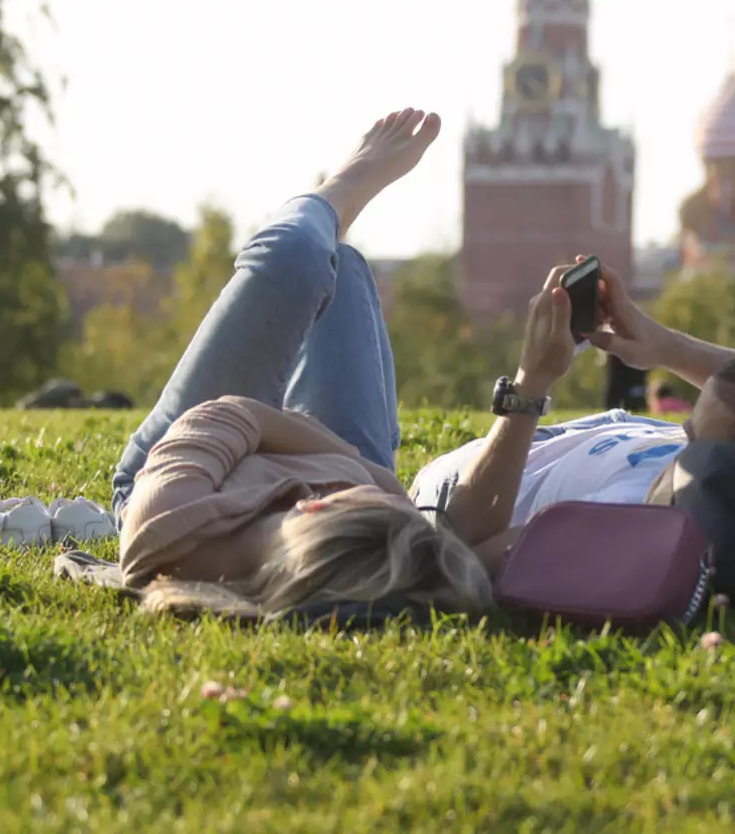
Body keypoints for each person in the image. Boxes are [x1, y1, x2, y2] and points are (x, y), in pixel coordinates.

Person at [110, 108, 493, 618]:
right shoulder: (373, 544)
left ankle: (344, 186)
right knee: (347, 270)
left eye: (345, 495)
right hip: (301, 456)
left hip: (209, 444)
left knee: (295, 260)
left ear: (314, 506)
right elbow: (394, 496)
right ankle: (333, 229)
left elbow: (231, 416)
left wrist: (350, 460)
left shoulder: (170, 523)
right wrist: (356, 470)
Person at [407, 264, 735, 574]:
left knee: (345, 269)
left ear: (733, 474)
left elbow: (467, 554)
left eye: (693, 433)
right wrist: (663, 346)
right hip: (594, 434)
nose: (684, 434)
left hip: (474, 483)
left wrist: (530, 384)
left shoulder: (637, 511)